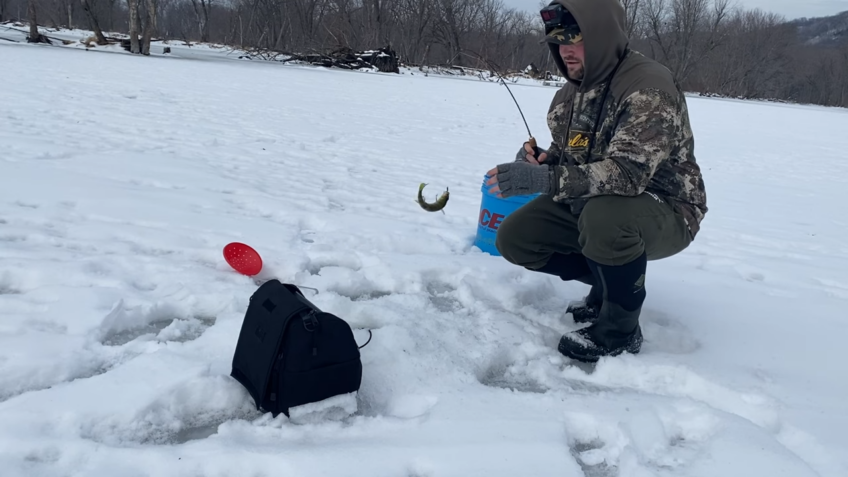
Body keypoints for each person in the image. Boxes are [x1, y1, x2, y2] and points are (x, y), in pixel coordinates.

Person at [485, 0, 708, 363]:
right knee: (516, 239)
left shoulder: (647, 87)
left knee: (606, 219)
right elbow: (571, 157)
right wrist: (545, 159)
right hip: (596, 201)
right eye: (557, 40)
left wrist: (544, 177)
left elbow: (627, 174)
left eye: (575, 39)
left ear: (602, 37)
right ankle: (608, 287)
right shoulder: (567, 96)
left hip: (668, 207)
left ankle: (618, 331)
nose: (565, 51)